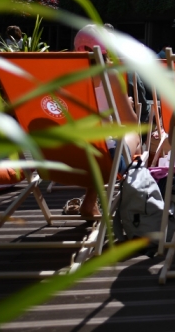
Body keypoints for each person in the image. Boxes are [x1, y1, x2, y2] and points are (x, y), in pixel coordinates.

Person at [73, 25, 143, 219]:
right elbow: (130, 122)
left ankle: (90, 201)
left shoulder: (62, 76)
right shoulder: (110, 76)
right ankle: (134, 201)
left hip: (65, 157)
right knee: (132, 136)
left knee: (94, 142)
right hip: (105, 162)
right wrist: (126, 104)